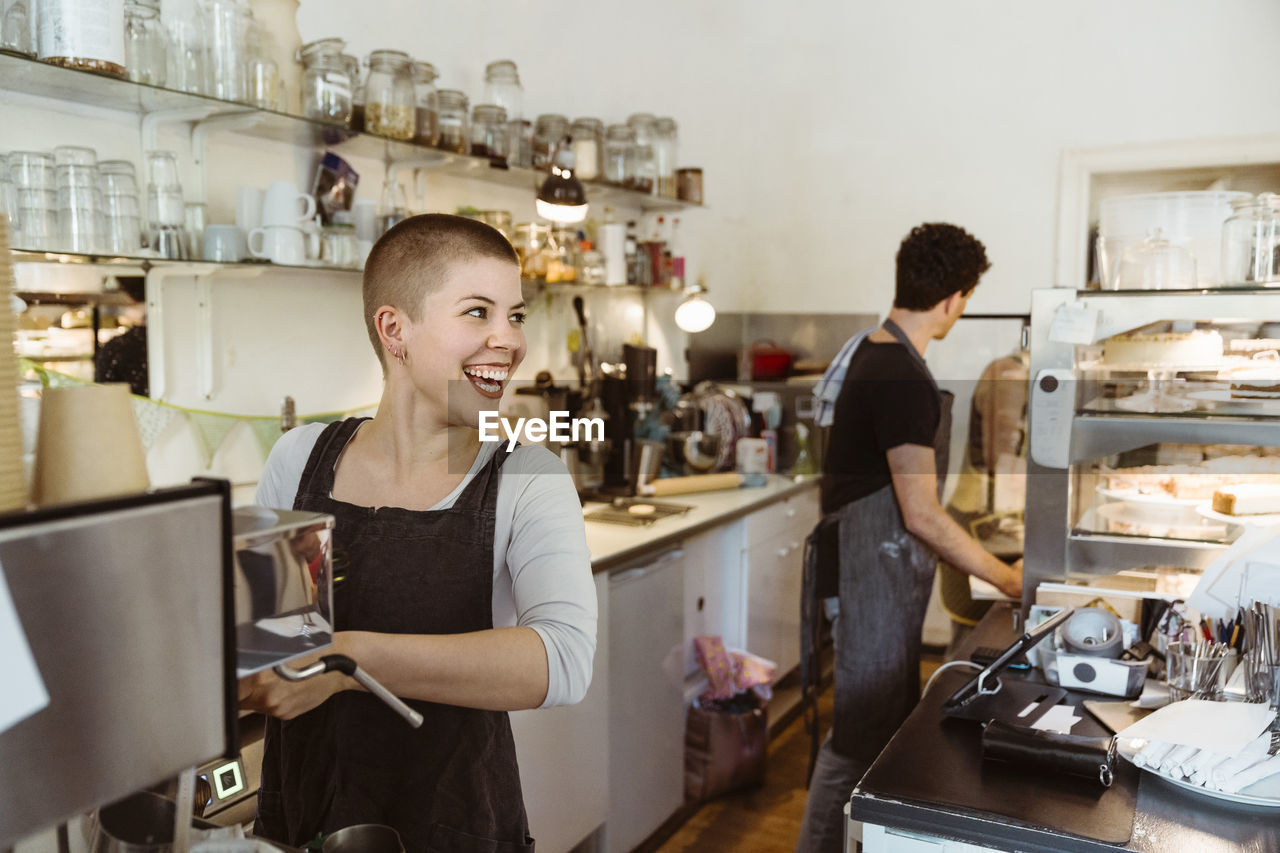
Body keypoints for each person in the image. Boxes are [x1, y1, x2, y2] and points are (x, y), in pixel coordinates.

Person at [239, 214, 597, 850]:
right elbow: (273, 640)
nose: (509, 341)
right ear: (394, 328)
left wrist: (351, 661)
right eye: (477, 312)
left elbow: (561, 660)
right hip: (302, 815)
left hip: (452, 820)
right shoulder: (298, 459)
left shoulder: (527, 474)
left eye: (515, 316)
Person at [797, 223, 1023, 853]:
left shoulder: (875, 351)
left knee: (878, 726)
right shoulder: (896, 370)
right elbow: (920, 512)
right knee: (858, 736)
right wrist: (1006, 578)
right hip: (870, 574)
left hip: (875, 570)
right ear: (955, 298)